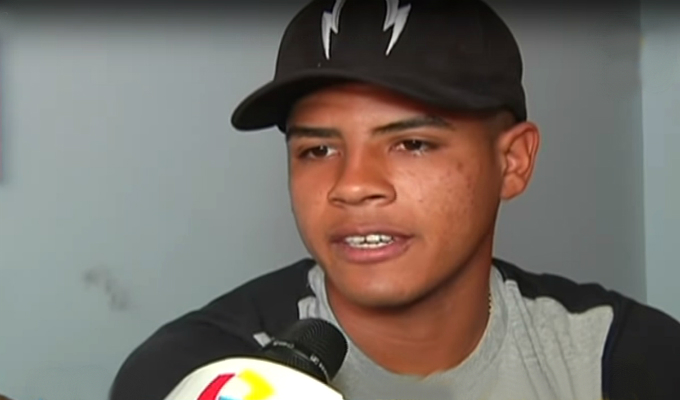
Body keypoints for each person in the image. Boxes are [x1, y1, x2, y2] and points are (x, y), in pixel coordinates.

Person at [110, 0, 680, 399]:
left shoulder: (627, 359)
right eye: (317, 150)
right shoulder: (197, 373)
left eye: (412, 143)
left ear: (513, 161)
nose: (353, 184)